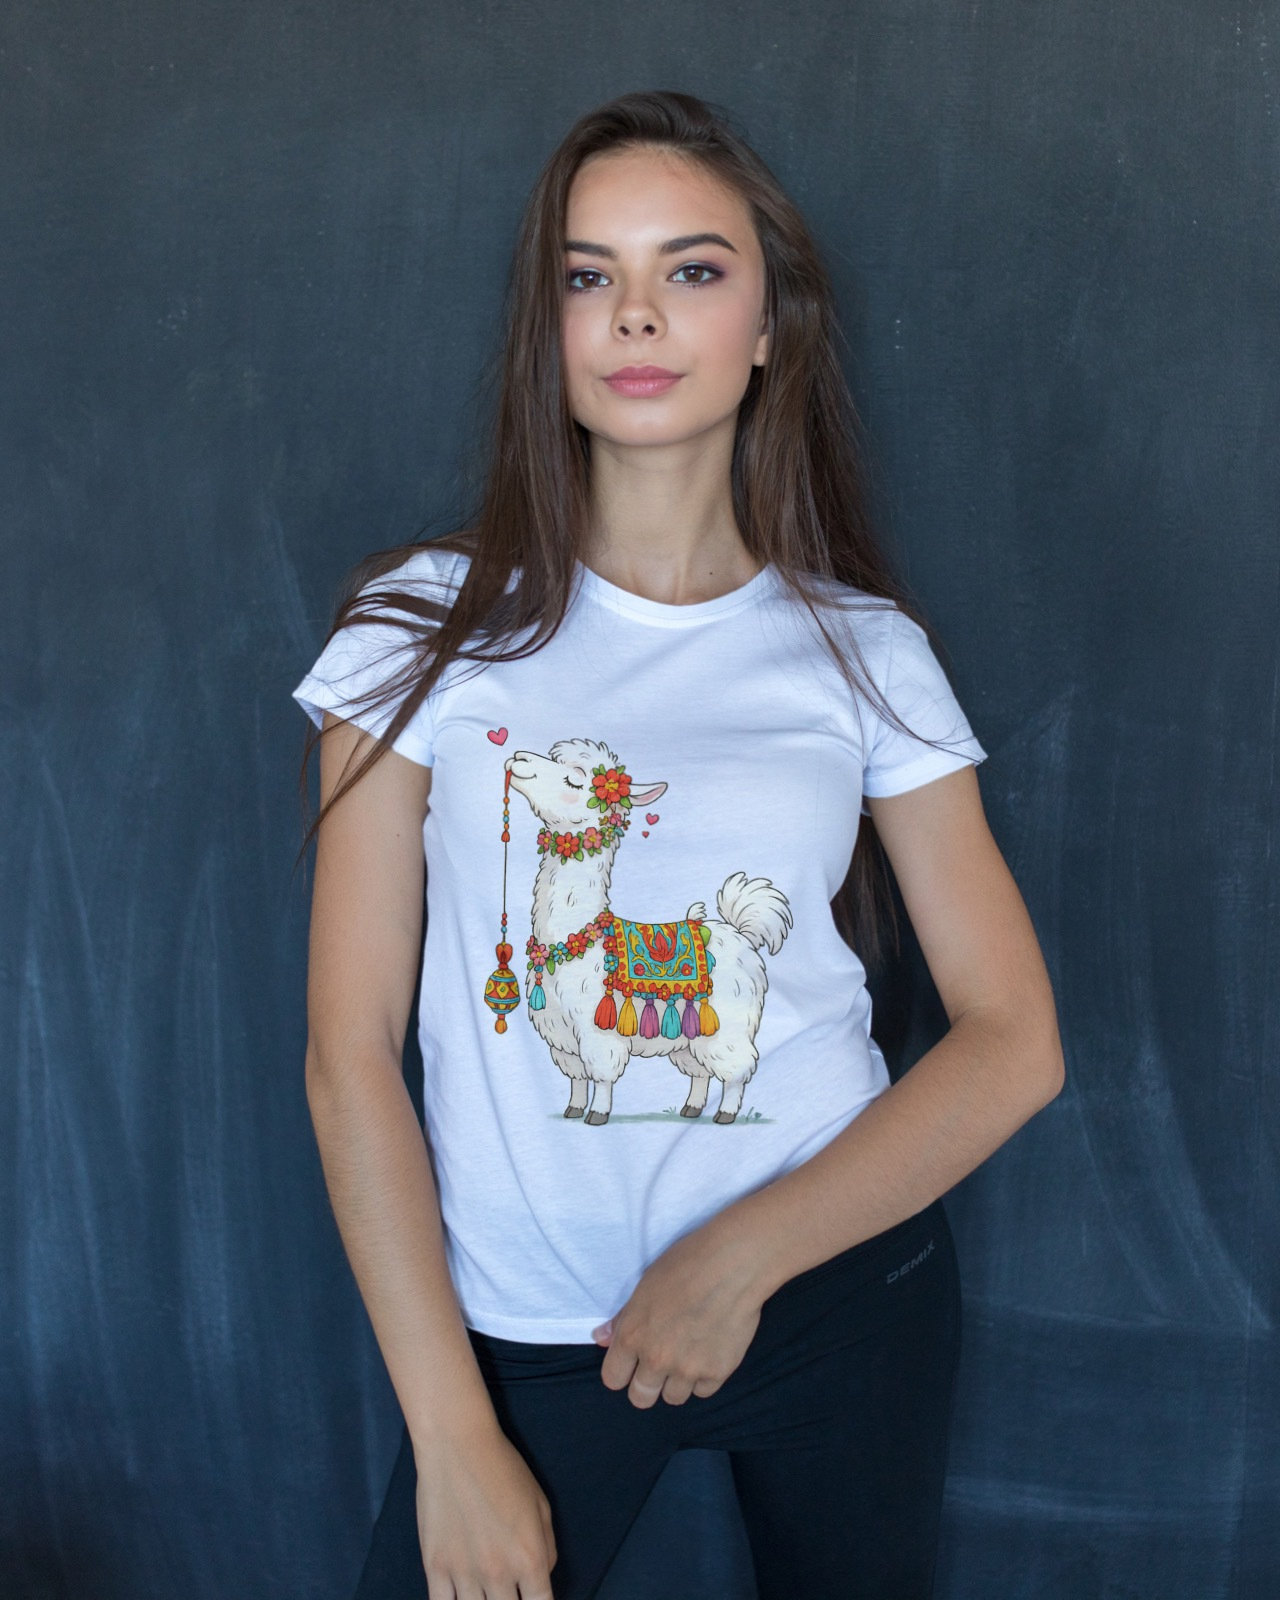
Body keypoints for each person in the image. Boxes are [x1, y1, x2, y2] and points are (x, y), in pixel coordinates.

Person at [293, 89, 1064, 1600]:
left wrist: (740, 1258)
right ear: (548, 329)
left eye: (692, 270)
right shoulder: (418, 631)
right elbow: (347, 1055)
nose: (635, 316)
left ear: (770, 325)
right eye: (589, 276)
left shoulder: (862, 654)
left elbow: (1013, 1041)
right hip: (530, 1334)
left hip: (836, 1296)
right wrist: (451, 1434)